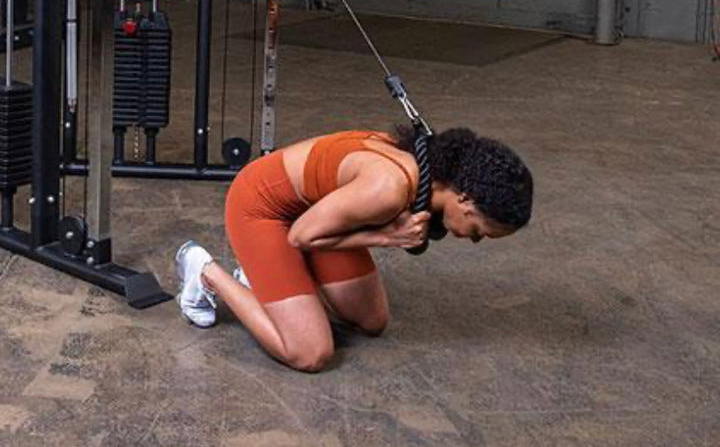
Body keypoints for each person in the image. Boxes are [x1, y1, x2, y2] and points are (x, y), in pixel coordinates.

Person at [174, 126, 533, 372]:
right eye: (479, 231)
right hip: (263, 209)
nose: (474, 239)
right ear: (465, 199)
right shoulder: (389, 189)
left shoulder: (427, 167)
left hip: (318, 213)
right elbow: (300, 237)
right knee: (310, 352)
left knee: (371, 321)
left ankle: (270, 282)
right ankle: (205, 271)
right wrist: (387, 237)